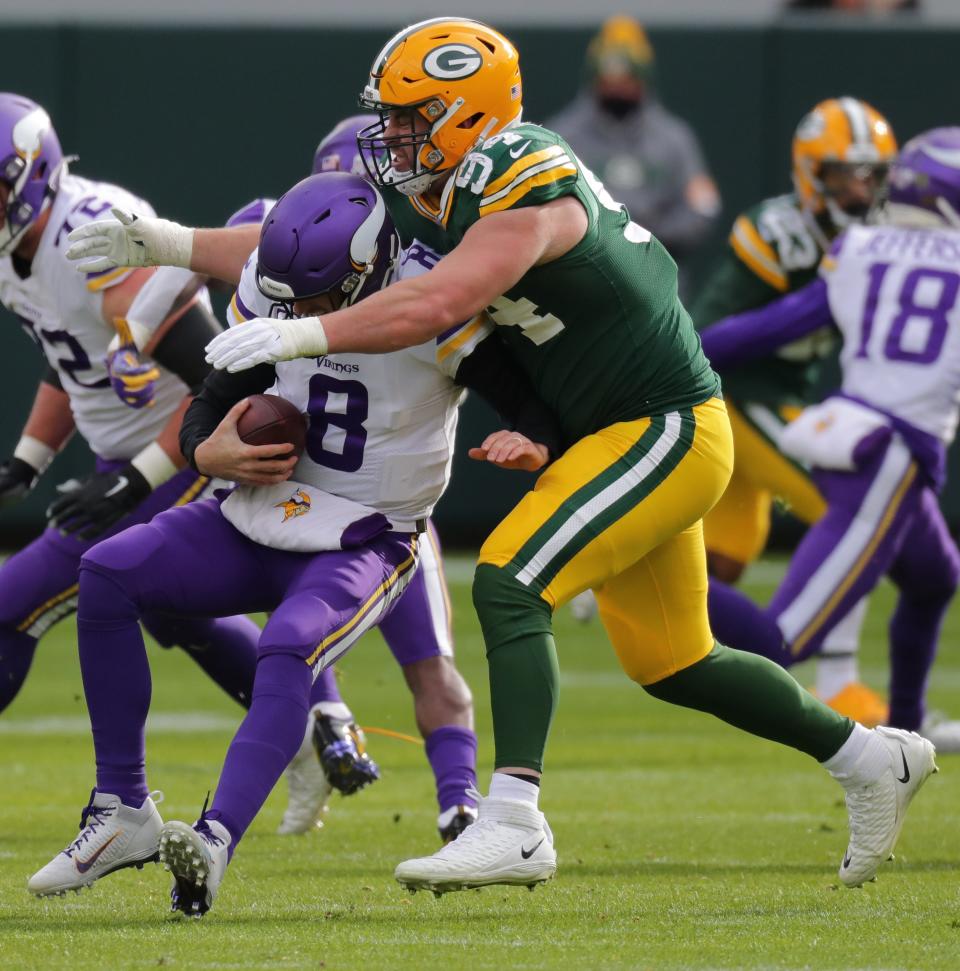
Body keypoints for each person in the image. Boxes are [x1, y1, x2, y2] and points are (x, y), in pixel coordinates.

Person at [67, 18, 938, 895]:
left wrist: (297, 332)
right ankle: (871, 757)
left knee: (510, 578)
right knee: (677, 661)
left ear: (467, 115)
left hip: (662, 419)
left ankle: (515, 819)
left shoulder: (520, 173)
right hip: (604, 426)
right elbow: (311, 245)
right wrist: (169, 243)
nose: (393, 137)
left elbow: (439, 298)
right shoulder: (429, 184)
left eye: (412, 117)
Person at [30, 171, 560, 915]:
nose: (297, 312)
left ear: (369, 266)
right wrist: (206, 450)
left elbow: (530, 394)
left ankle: (213, 841)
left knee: (289, 647)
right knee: (109, 571)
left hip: (365, 534)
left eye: (314, 298)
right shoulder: (273, 282)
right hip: (260, 508)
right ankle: (122, 808)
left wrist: (531, 437)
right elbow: (217, 392)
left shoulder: (432, 303)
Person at [110, 115, 481, 843]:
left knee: (428, 665)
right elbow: (193, 272)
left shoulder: (425, 268)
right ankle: (324, 723)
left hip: (380, 507)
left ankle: (461, 802)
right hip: (288, 486)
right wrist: (135, 339)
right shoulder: (274, 236)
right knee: (262, 619)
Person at [0, 92, 266, 718]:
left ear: (33, 176)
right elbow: (70, 351)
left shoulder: (91, 242)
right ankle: (316, 719)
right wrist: (29, 460)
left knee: (11, 602)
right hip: (125, 453)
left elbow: (217, 383)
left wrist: (133, 481)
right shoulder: (20, 247)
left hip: (184, 449)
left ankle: (311, 714)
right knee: (172, 611)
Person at [700, 127, 960, 753]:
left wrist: (686, 351)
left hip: (857, 431)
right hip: (888, 458)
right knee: (778, 644)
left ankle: (907, 722)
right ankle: (635, 567)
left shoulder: (864, 248)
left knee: (934, 577)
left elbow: (771, 326)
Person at [690, 98, 897, 726]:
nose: (859, 191)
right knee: (850, 509)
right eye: (843, 175)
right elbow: (708, 333)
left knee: (718, 565)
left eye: (871, 175)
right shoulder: (779, 232)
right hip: (737, 394)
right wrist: (817, 299)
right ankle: (839, 681)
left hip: (784, 400)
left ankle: (630, 585)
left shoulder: (879, 234)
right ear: (811, 173)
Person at [547, 16, 720, 287]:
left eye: (626, 79)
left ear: (642, 78)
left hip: (657, 274)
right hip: (584, 274)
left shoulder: (674, 138)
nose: (617, 88)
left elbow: (702, 208)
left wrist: (646, 239)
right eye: (609, 79)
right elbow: (545, 207)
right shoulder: (563, 136)